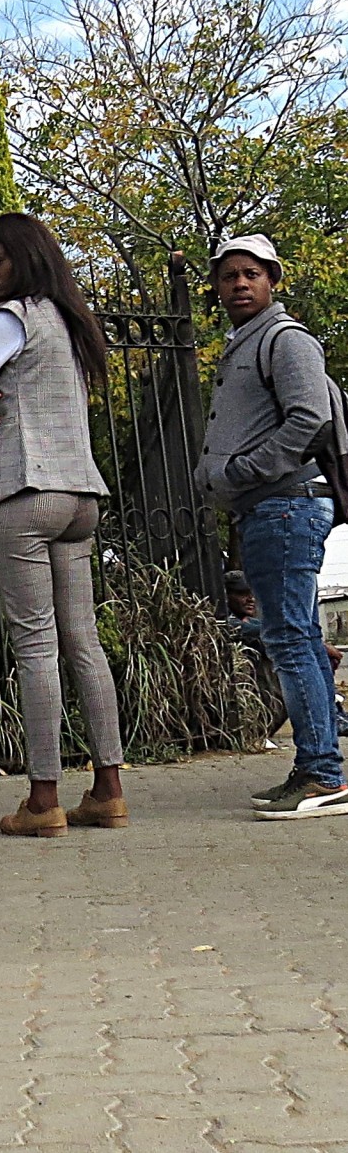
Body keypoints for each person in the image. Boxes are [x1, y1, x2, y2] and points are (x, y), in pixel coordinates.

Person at [0, 212, 127, 837]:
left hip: (23, 492)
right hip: (80, 495)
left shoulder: (13, 318)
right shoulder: (72, 323)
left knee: (35, 645)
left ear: (25, 259)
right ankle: (108, 790)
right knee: (83, 640)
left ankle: (43, 799)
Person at [196, 234, 348, 820]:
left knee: (288, 638)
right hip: (268, 507)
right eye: (229, 275)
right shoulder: (245, 343)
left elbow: (310, 416)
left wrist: (242, 471)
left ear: (271, 280)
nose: (238, 283)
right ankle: (318, 766)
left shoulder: (285, 340)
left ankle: (321, 774)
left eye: (250, 274)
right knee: (298, 637)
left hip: (286, 503)